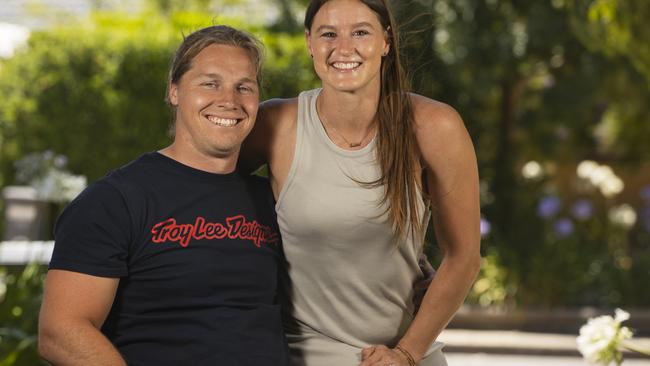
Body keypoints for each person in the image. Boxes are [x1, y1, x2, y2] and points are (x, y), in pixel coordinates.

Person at [240, 0, 481, 365]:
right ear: (309, 42)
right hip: (303, 353)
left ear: (386, 41)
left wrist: (405, 353)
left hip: (405, 354)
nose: (344, 48)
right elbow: (200, 180)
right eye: (328, 34)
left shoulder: (435, 127)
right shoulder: (276, 124)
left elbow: (464, 258)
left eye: (360, 32)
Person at [38, 25, 289, 366]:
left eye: (244, 87)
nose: (229, 101)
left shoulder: (272, 200)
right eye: (210, 83)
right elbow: (60, 331)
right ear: (174, 91)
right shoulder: (114, 201)